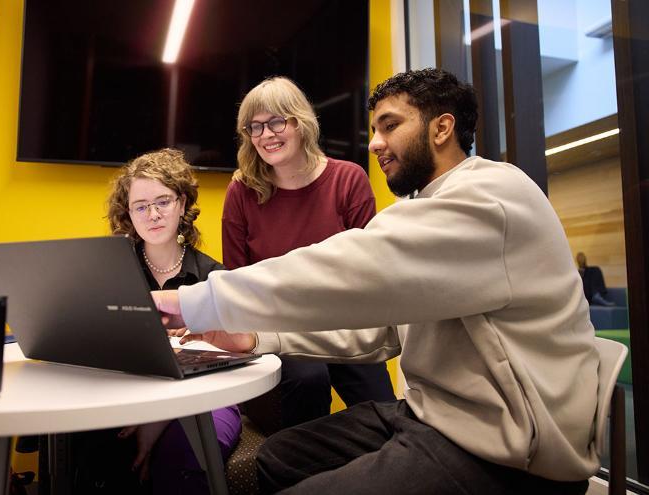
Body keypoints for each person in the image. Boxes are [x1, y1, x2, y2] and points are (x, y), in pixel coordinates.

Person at [153, 68, 599, 494]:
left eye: (389, 126)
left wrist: (197, 301)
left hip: (505, 448)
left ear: (441, 128)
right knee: (275, 457)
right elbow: (381, 328)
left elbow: (355, 268)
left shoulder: (490, 196)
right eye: (374, 130)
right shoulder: (429, 204)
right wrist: (254, 336)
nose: (375, 144)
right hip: (433, 414)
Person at [222, 76, 394, 432]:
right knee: (308, 379)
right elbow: (235, 279)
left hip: (345, 325)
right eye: (254, 127)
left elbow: (372, 271)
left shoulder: (349, 179)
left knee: (387, 417)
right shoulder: (242, 190)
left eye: (276, 121)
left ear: (300, 122)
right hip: (277, 330)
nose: (265, 134)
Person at [72, 148, 242, 494]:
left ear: (182, 203)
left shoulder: (214, 276)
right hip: (126, 393)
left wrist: (162, 416)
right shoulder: (109, 273)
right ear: (128, 214)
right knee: (97, 444)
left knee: (187, 454)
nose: (153, 214)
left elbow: (229, 358)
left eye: (163, 201)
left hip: (205, 397)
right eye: (140, 206)